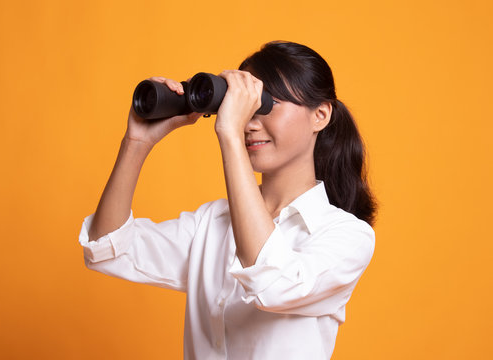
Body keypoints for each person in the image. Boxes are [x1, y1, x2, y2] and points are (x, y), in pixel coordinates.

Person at [78, 40, 378, 360]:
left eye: (265, 105)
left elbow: (272, 284)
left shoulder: (347, 236)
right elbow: (107, 248)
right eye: (242, 109)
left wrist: (230, 135)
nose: (249, 123)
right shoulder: (212, 223)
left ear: (320, 115)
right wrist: (136, 142)